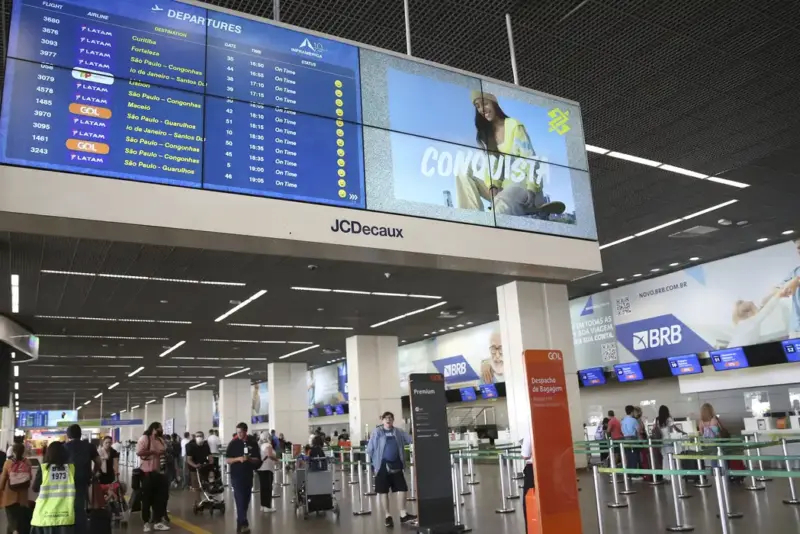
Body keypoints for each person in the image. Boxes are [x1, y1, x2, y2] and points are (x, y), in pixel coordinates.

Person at [456, 91, 566, 217]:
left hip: (523, 185)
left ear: (494, 104)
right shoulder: (488, 135)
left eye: (485, 104)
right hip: (503, 188)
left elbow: (529, 157)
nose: (482, 109)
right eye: (478, 106)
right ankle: (472, 217)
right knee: (462, 173)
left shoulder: (513, 125)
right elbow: (493, 166)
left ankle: (534, 204)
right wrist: (493, 186)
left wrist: (532, 188)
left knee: (498, 209)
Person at [366, 411, 416, 528]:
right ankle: (388, 516)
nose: (388, 420)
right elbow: (370, 449)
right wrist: (376, 463)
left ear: (393, 420)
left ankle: (403, 514)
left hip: (397, 465)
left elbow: (410, 439)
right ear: (382, 420)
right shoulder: (377, 432)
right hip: (382, 466)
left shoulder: (398, 432)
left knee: (402, 489)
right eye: (386, 418)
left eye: (390, 418)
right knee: (383, 491)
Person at [31, 441, 75, 534]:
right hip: (65, 517)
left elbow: (35, 488)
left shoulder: (43, 469)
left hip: (44, 516)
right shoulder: (71, 469)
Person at [226, 423, 261, 533]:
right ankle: (244, 523)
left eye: (241, 432)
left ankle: (240, 521)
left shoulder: (253, 443)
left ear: (246, 431)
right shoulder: (233, 443)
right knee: (239, 499)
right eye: (237, 432)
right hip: (236, 476)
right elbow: (228, 460)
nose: (239, 434)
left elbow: (258, 460)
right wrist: (238, 459)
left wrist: (249, 459)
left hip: (248, 475)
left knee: (246, 500)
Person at [64, 424, 99, 533]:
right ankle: (81, 529)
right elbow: (99, 461)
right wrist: (93, 472)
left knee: (68, 504)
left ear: (68, 435)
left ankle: (70, 527)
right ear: (80, 434)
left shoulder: (64, 447)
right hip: (83, 478)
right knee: (80, 505)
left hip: (67, 479)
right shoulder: (89, 446)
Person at [136, 422, 170, 532]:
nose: (162, 430)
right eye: (160, 428)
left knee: (160, 499)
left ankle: (157, 521)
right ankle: (146, 522)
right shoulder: (145, 438)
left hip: (159, 472)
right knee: (146, 499)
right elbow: (139, 452)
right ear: (155, 429)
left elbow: (164, 450)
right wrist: (152, 452)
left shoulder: (160, 439)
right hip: (147, 473)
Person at [1, 443, 33, 534]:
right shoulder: (27, 462)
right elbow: (29, 478)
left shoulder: (8, 463)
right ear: (23, 452)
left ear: (13, 451)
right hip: (23, 499)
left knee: (12, 522)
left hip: (9, 498)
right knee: (22, 522)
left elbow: (3, 480)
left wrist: (1, 489)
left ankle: (14, 531)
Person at [654, 405, 687, 471]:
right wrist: (683, 432)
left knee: (665, 457)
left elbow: (655, 429)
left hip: (661, 440)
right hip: (668, 440)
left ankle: (666, 475)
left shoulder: (657, 419)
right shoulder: (668, 419)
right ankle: (672, 472)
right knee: (671, 457)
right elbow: (675, 428)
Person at [257, 433, 277, 513]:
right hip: (267, 469)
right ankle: (267, 506)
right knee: (268, 488)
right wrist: (276, 459)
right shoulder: (267, 445)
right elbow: (269, 455)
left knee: (263, 488)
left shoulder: (260, 445)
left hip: (261, 469)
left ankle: (263, 505)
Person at [520, 429, 535, 524]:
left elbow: (525, 455)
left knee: (529, 503)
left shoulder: (531, 430)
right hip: (551, 468)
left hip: (533, 470)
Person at [621, 406, 640, 471]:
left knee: (628, 456)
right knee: (634, 456)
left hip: (625, 439)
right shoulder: (634, 420)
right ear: (632, 411)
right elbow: (638, 430)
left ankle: (629, 473)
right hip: (633, 439)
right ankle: (634, 473)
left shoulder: (623, 420)